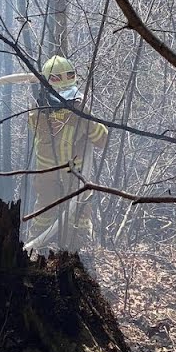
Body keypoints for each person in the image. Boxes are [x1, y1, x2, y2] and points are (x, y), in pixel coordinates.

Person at [27, 55, 109, 251]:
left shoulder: (39, 111)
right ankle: (37, 252)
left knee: (74, 215)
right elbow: (102, 140)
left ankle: (73, 256)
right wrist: (82, 117)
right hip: (59, 175)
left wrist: (85, 119)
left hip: (67, 175)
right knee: (49, 215)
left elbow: (101, 140)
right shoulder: (45, 113)